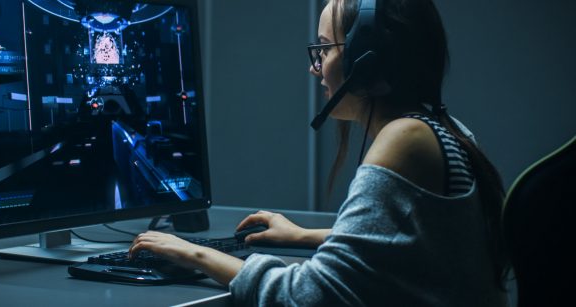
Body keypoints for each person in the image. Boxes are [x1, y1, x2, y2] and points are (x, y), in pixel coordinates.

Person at [128, 0, 509, 305]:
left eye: (324, 48)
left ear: (366, 59)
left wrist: (194, 254)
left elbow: (307, 296)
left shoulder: (404, 140)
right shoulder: (447, 130)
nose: (315, 68)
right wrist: (306, 236)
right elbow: (414, 248)